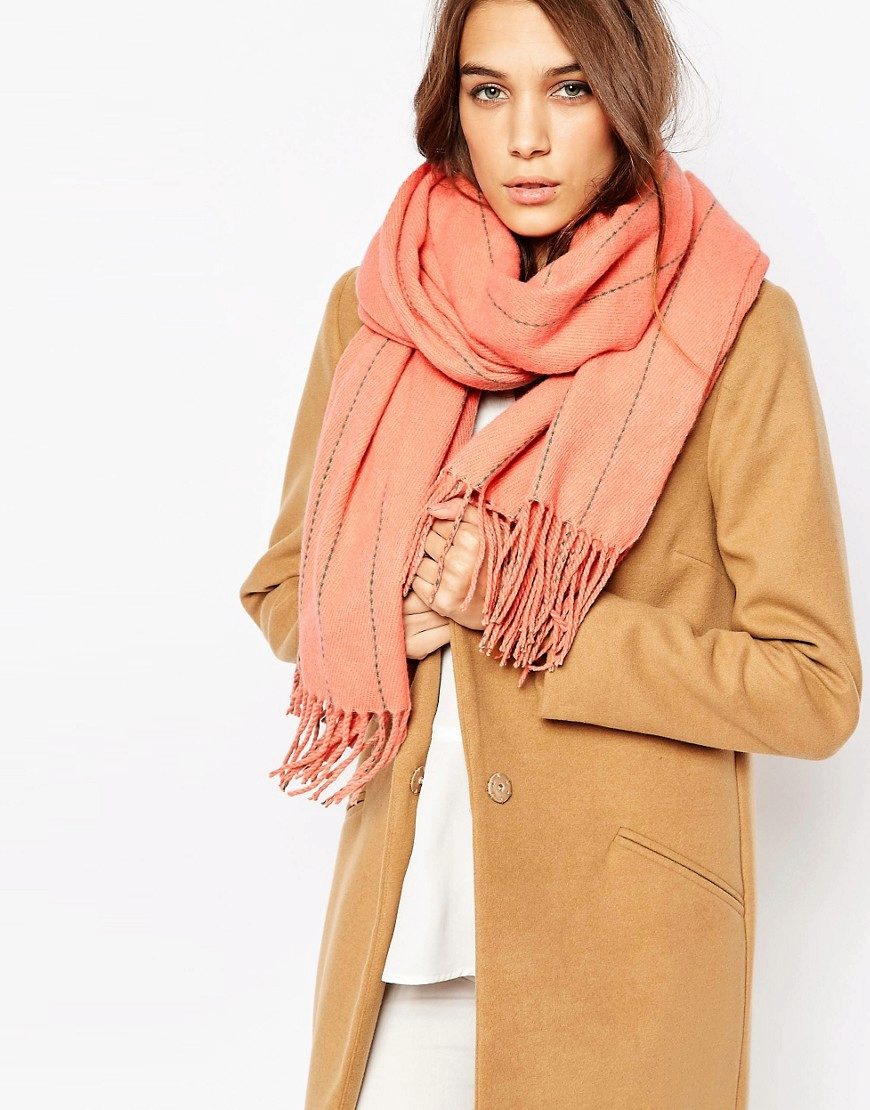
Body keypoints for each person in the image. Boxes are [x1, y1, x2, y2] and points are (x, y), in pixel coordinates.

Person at [239, 1, 863, 1106]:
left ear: (625, 98)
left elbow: (813, 688)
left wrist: (529, 611)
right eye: (490, 91)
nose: (526, 136)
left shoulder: (734, 327)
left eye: (568, 88)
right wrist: (389, 613)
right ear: (454, 109)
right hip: (402, 943)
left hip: (623, 960)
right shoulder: (380, 309)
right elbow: (286, 585)